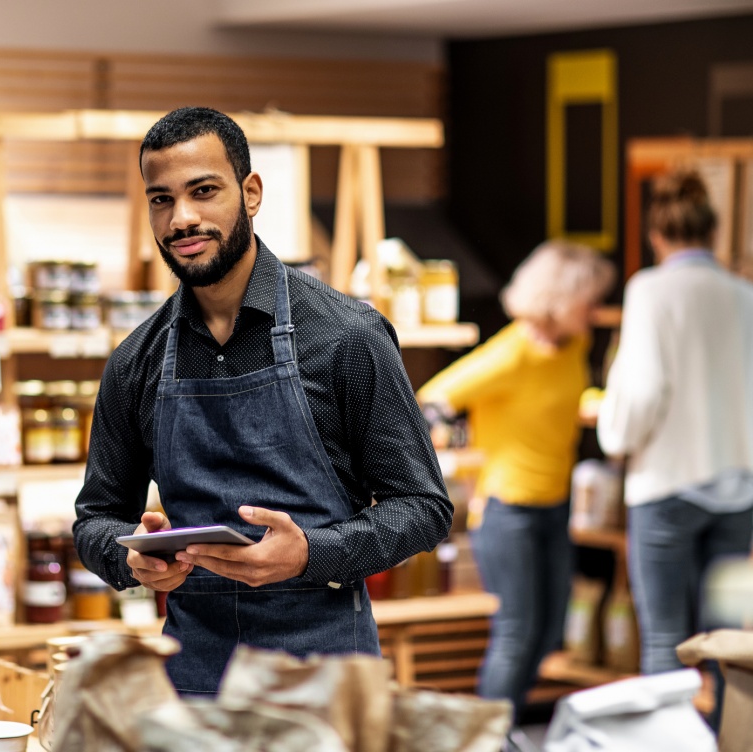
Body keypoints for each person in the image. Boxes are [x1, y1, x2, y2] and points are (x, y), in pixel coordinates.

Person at [72, 106, 453, 696]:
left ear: (250, 193)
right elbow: (96, 518)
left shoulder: (346, 336)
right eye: (162, 199)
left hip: (324, 681)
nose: (183, 218)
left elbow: (423, 507)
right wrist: (132, 562)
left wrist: (310, 554)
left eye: (204, 191)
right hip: (194, 680)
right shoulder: (135, 361)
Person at [417, 241, 615, 717]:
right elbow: (431, 397)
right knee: (517, 631)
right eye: (589, 300)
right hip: (509, 512)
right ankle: (489, 737)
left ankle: (504, 729)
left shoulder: (575, 344)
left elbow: (561, 397)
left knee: (548, 632)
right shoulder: (510, 354)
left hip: (555, 506)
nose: (596, 310)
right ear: (562, 299)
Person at [597, 171, 753, 721]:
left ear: (657, 236)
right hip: (739, 492)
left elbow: (642, 389)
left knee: (666, 641)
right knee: (727, 644)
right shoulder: (744, 294)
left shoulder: (650, 290)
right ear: (712, 234)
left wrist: (614, 437)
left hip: (665, 488)